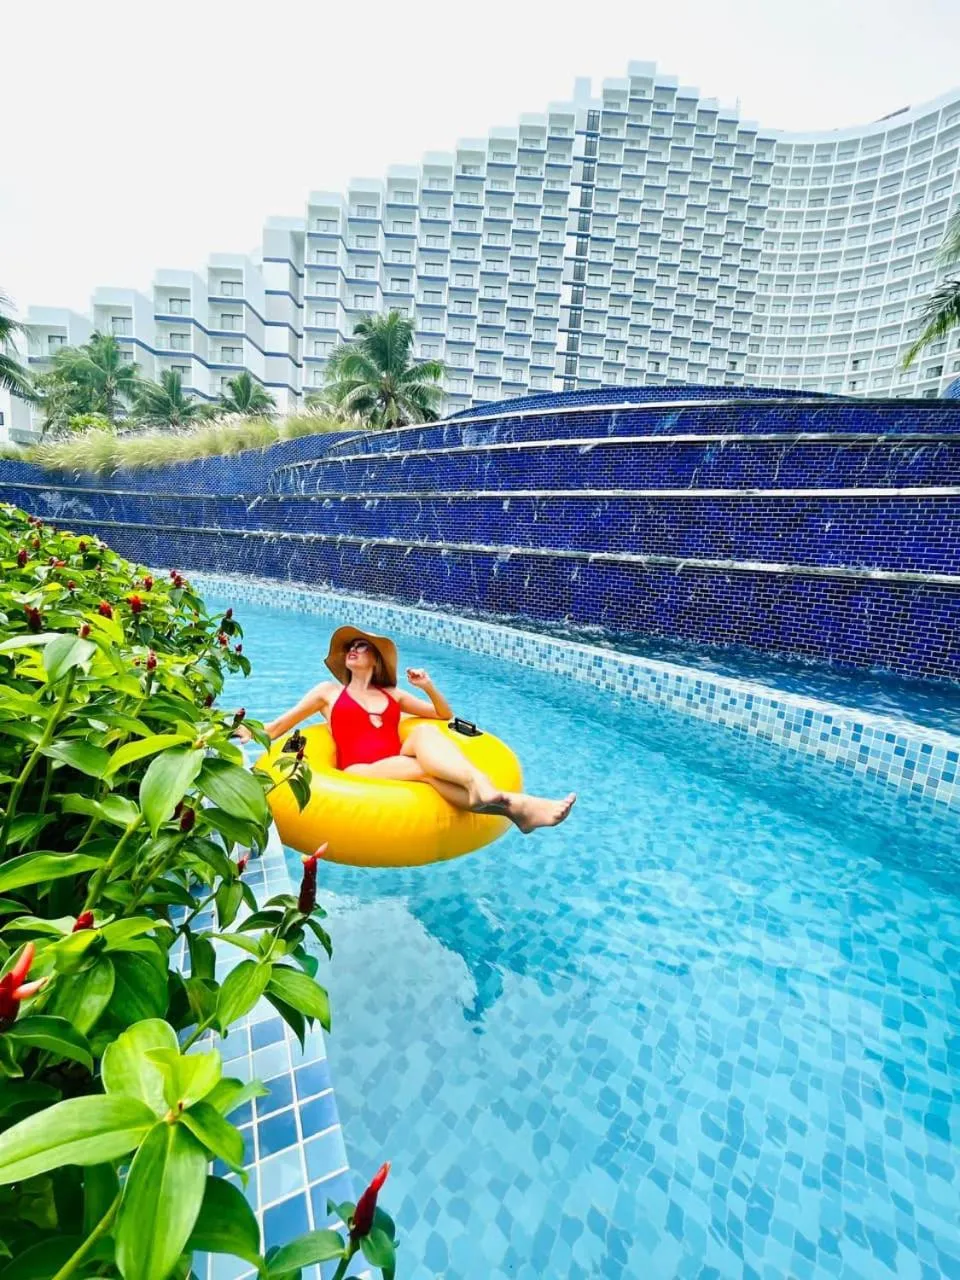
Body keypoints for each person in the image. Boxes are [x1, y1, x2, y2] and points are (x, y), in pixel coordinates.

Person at [237, 625, 576, 834]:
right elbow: (280, 725)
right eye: (350, 648)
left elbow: (443, 715)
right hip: (357, 770)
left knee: (426, 736)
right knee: (422, 770)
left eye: (361, 646)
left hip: (393, 761)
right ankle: (509, 801)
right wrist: (244, 732)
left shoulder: (394, 696)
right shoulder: (327, 693)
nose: (353, 650)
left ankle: (501, 801)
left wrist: (428, 686)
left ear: (376, 660)